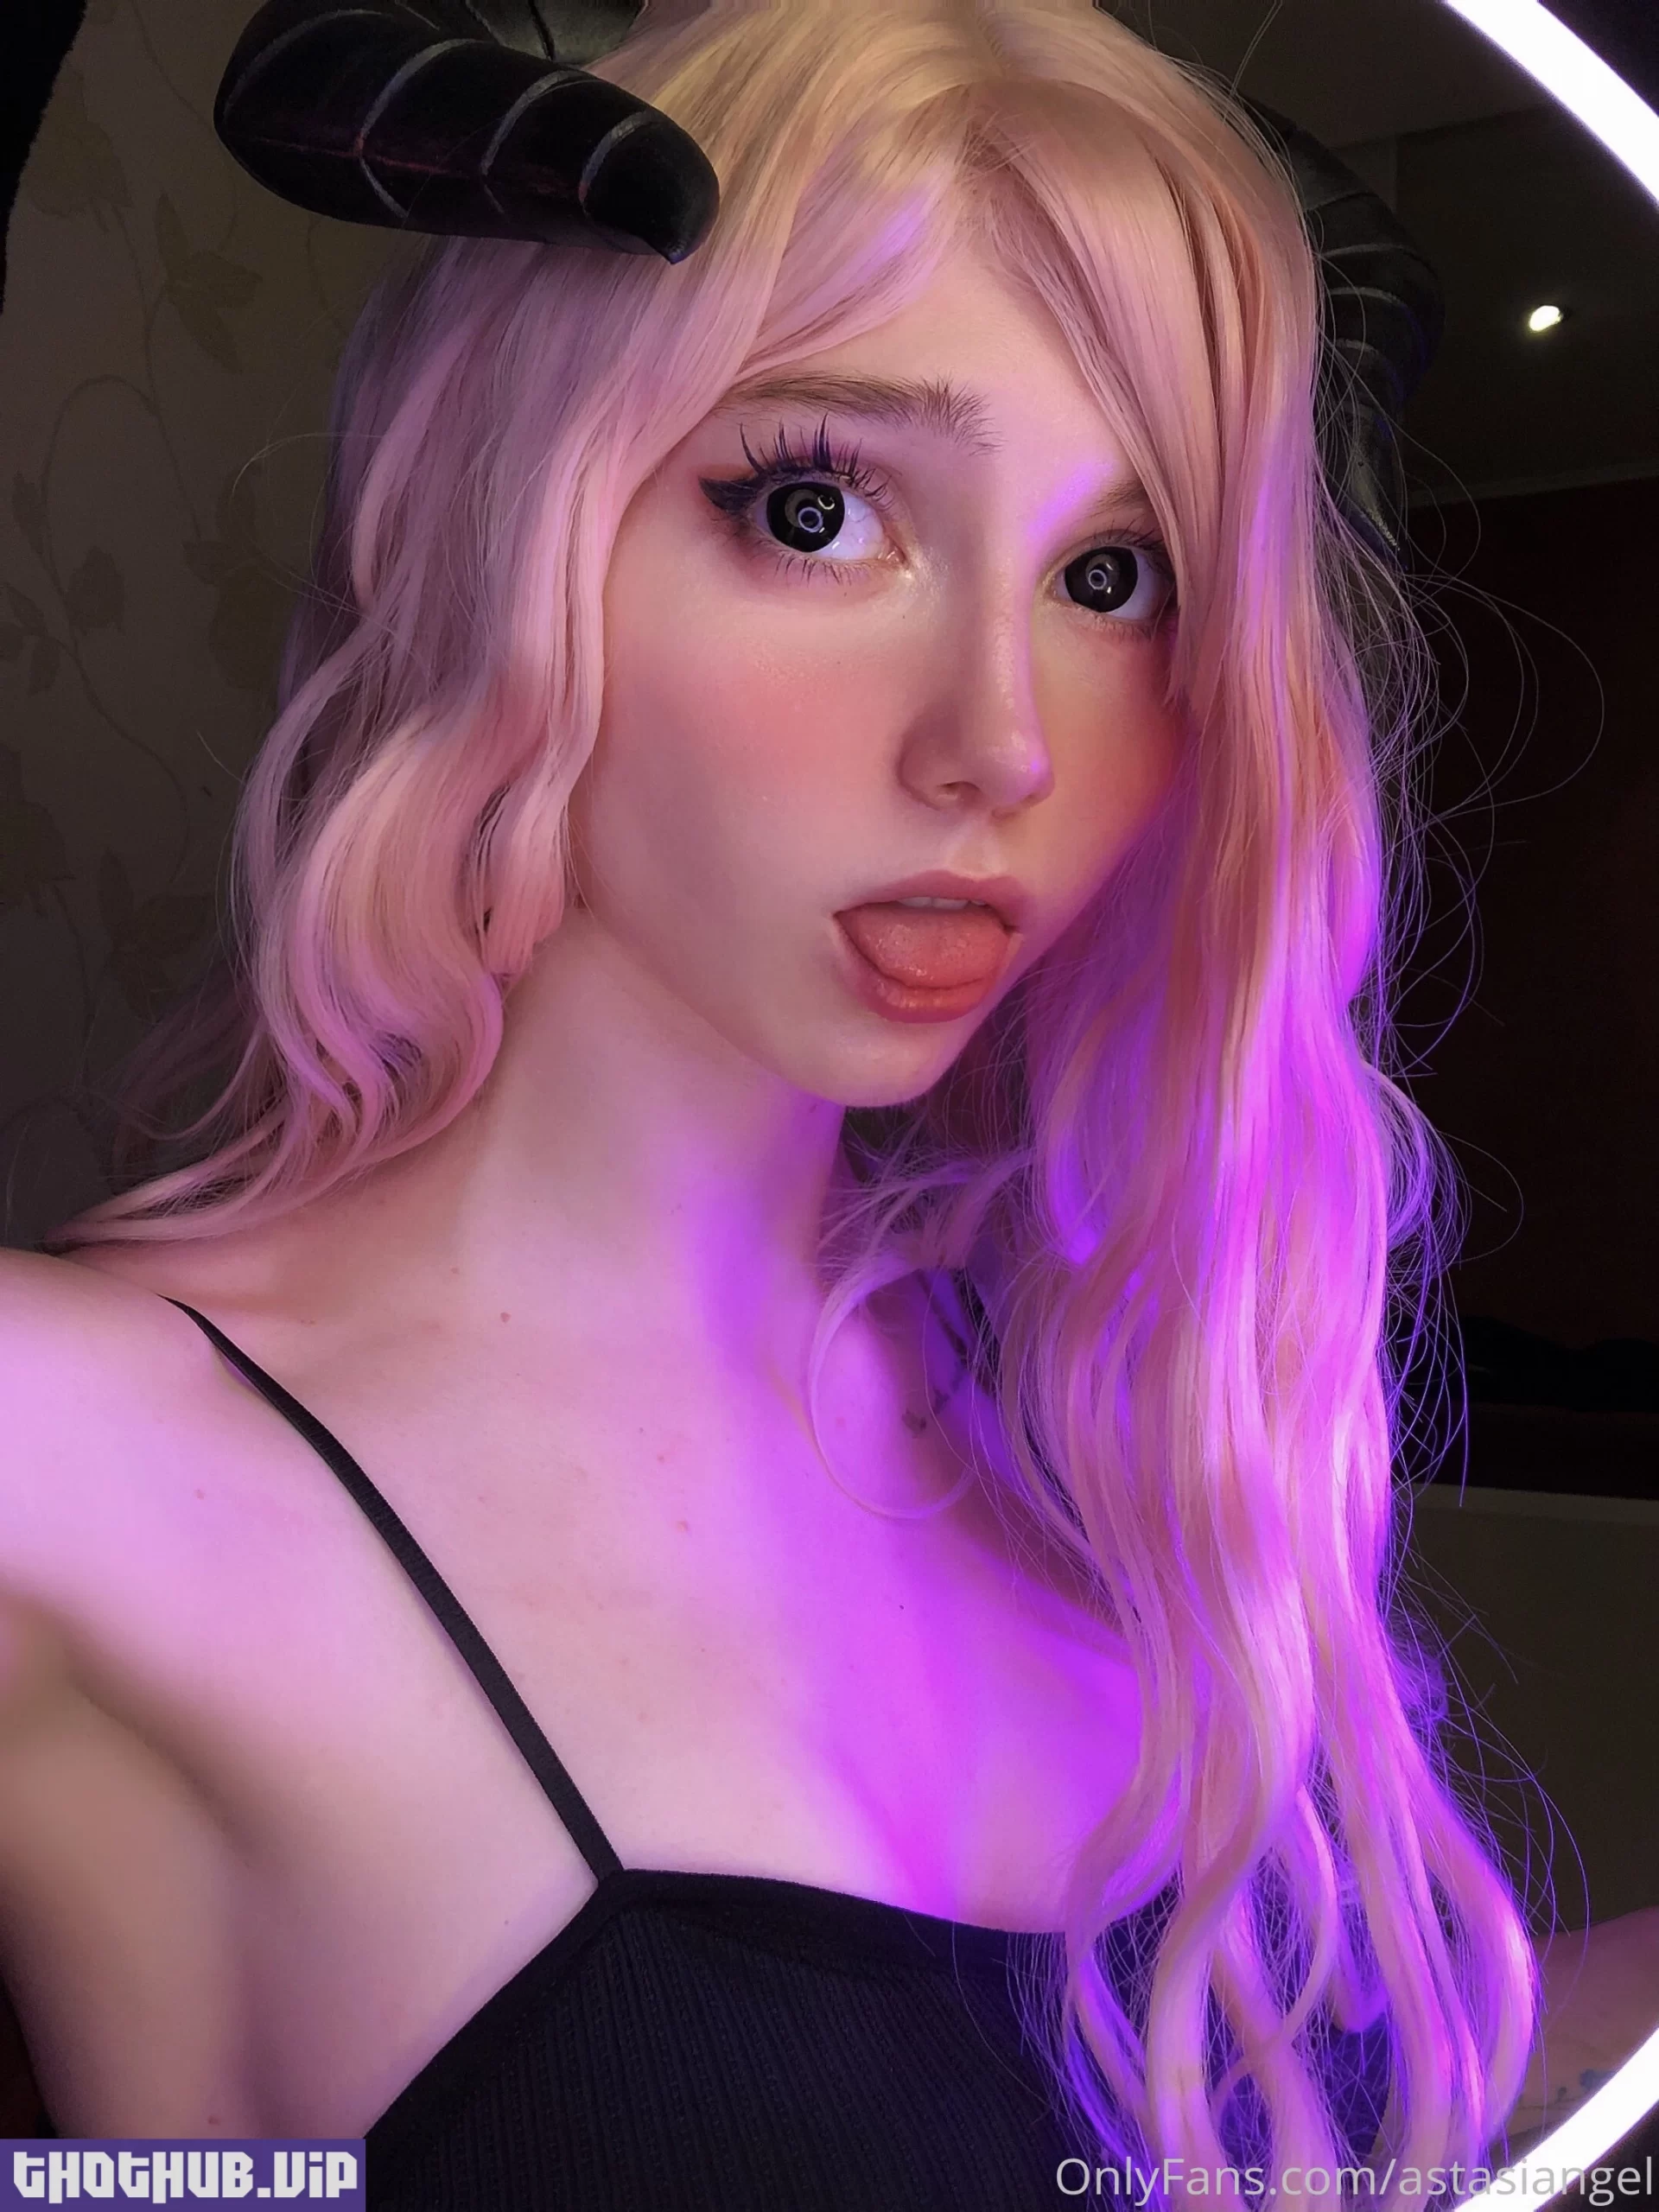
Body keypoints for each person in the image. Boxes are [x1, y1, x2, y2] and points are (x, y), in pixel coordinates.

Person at [0, 0, 1549, 2201]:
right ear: (500, 525)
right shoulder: (71, 1451)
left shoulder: (1078, 1397)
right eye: (816, 509)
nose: (1003, 739)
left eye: (1115, 576)